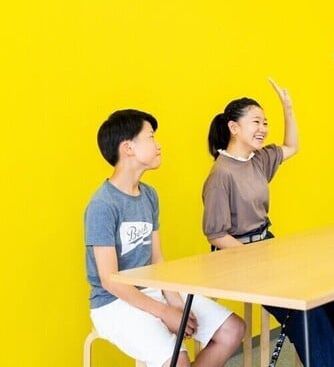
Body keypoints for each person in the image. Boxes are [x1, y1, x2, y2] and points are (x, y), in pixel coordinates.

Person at [201, 79, 334, 367]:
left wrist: (288, 108)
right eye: (256, 122)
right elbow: (216, 235)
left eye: (265, 123)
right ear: (233, 127)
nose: (263, 128)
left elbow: (291, 146)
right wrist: (255, 258)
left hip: (265, 247)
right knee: (303, 308)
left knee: (327, 291)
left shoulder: (257, 160)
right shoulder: (221, 175)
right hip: (236, 257)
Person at [85, 109, 245, 367]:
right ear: (128, 148)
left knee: (232, 330)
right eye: (150, 137)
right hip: (112, 303)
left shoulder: (149, 195)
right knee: (178, 360)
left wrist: (176, 305)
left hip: (152, 289)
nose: (158, 145)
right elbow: (109, 280)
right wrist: (165, 312)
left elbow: (157, 259)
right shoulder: (103, 205)